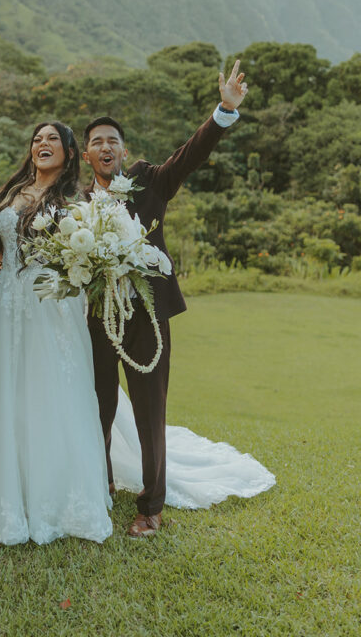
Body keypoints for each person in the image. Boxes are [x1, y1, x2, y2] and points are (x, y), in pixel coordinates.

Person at [82, 59, 273, 537]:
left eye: (112, 140)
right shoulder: (76, 204)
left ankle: (151, 506)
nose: (106, 147)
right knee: (96, 406)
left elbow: (190, 155)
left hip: (147, 315)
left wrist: (223, 112)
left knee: (150, 411)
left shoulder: (149, 179)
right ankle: (99, 484)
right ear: (86, 155)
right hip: (95, 319)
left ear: (124, 150)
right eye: (97, 141)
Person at [0, 122, 113, 545]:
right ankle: (2, 486)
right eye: (37, 138)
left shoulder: (76, 201)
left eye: (53, 139)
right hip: (6, 305)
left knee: (47, 394)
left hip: (50, 308)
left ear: (69, 153)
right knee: (3, 394)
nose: (42, 144)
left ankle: (51, 494)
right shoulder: (12, 192)